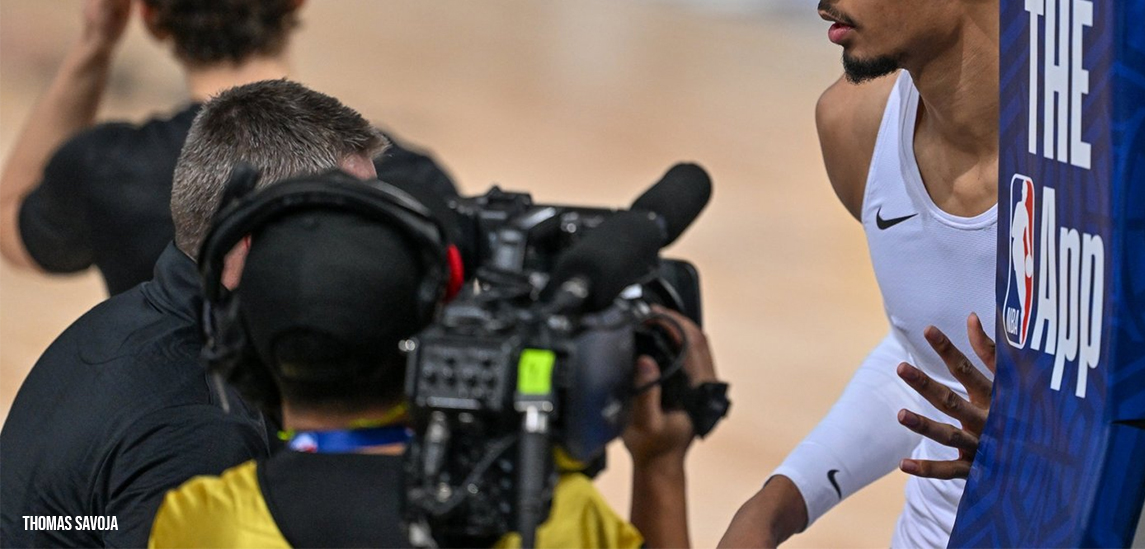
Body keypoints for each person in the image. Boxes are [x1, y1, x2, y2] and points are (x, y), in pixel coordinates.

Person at [719, 0, 1001, 548]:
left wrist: (1049, 441)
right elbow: (923, 350)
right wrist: (780, 503)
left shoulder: (1097, 160)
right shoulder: (855, 129)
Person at [147, 171, 722, 549]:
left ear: (241, 343)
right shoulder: (554, 520)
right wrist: (659, 466)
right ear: (434, 327)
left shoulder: (203, 520)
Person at [0, 0, 456, 297]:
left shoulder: (111, 170)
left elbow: (10, 220)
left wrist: (95, 41)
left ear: (152, 18)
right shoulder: (409, 180)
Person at [0, 79, 408, 548]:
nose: (377, 251)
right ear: (256, 244)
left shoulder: (120, 326)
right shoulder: (204, 430)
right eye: (355, 230)